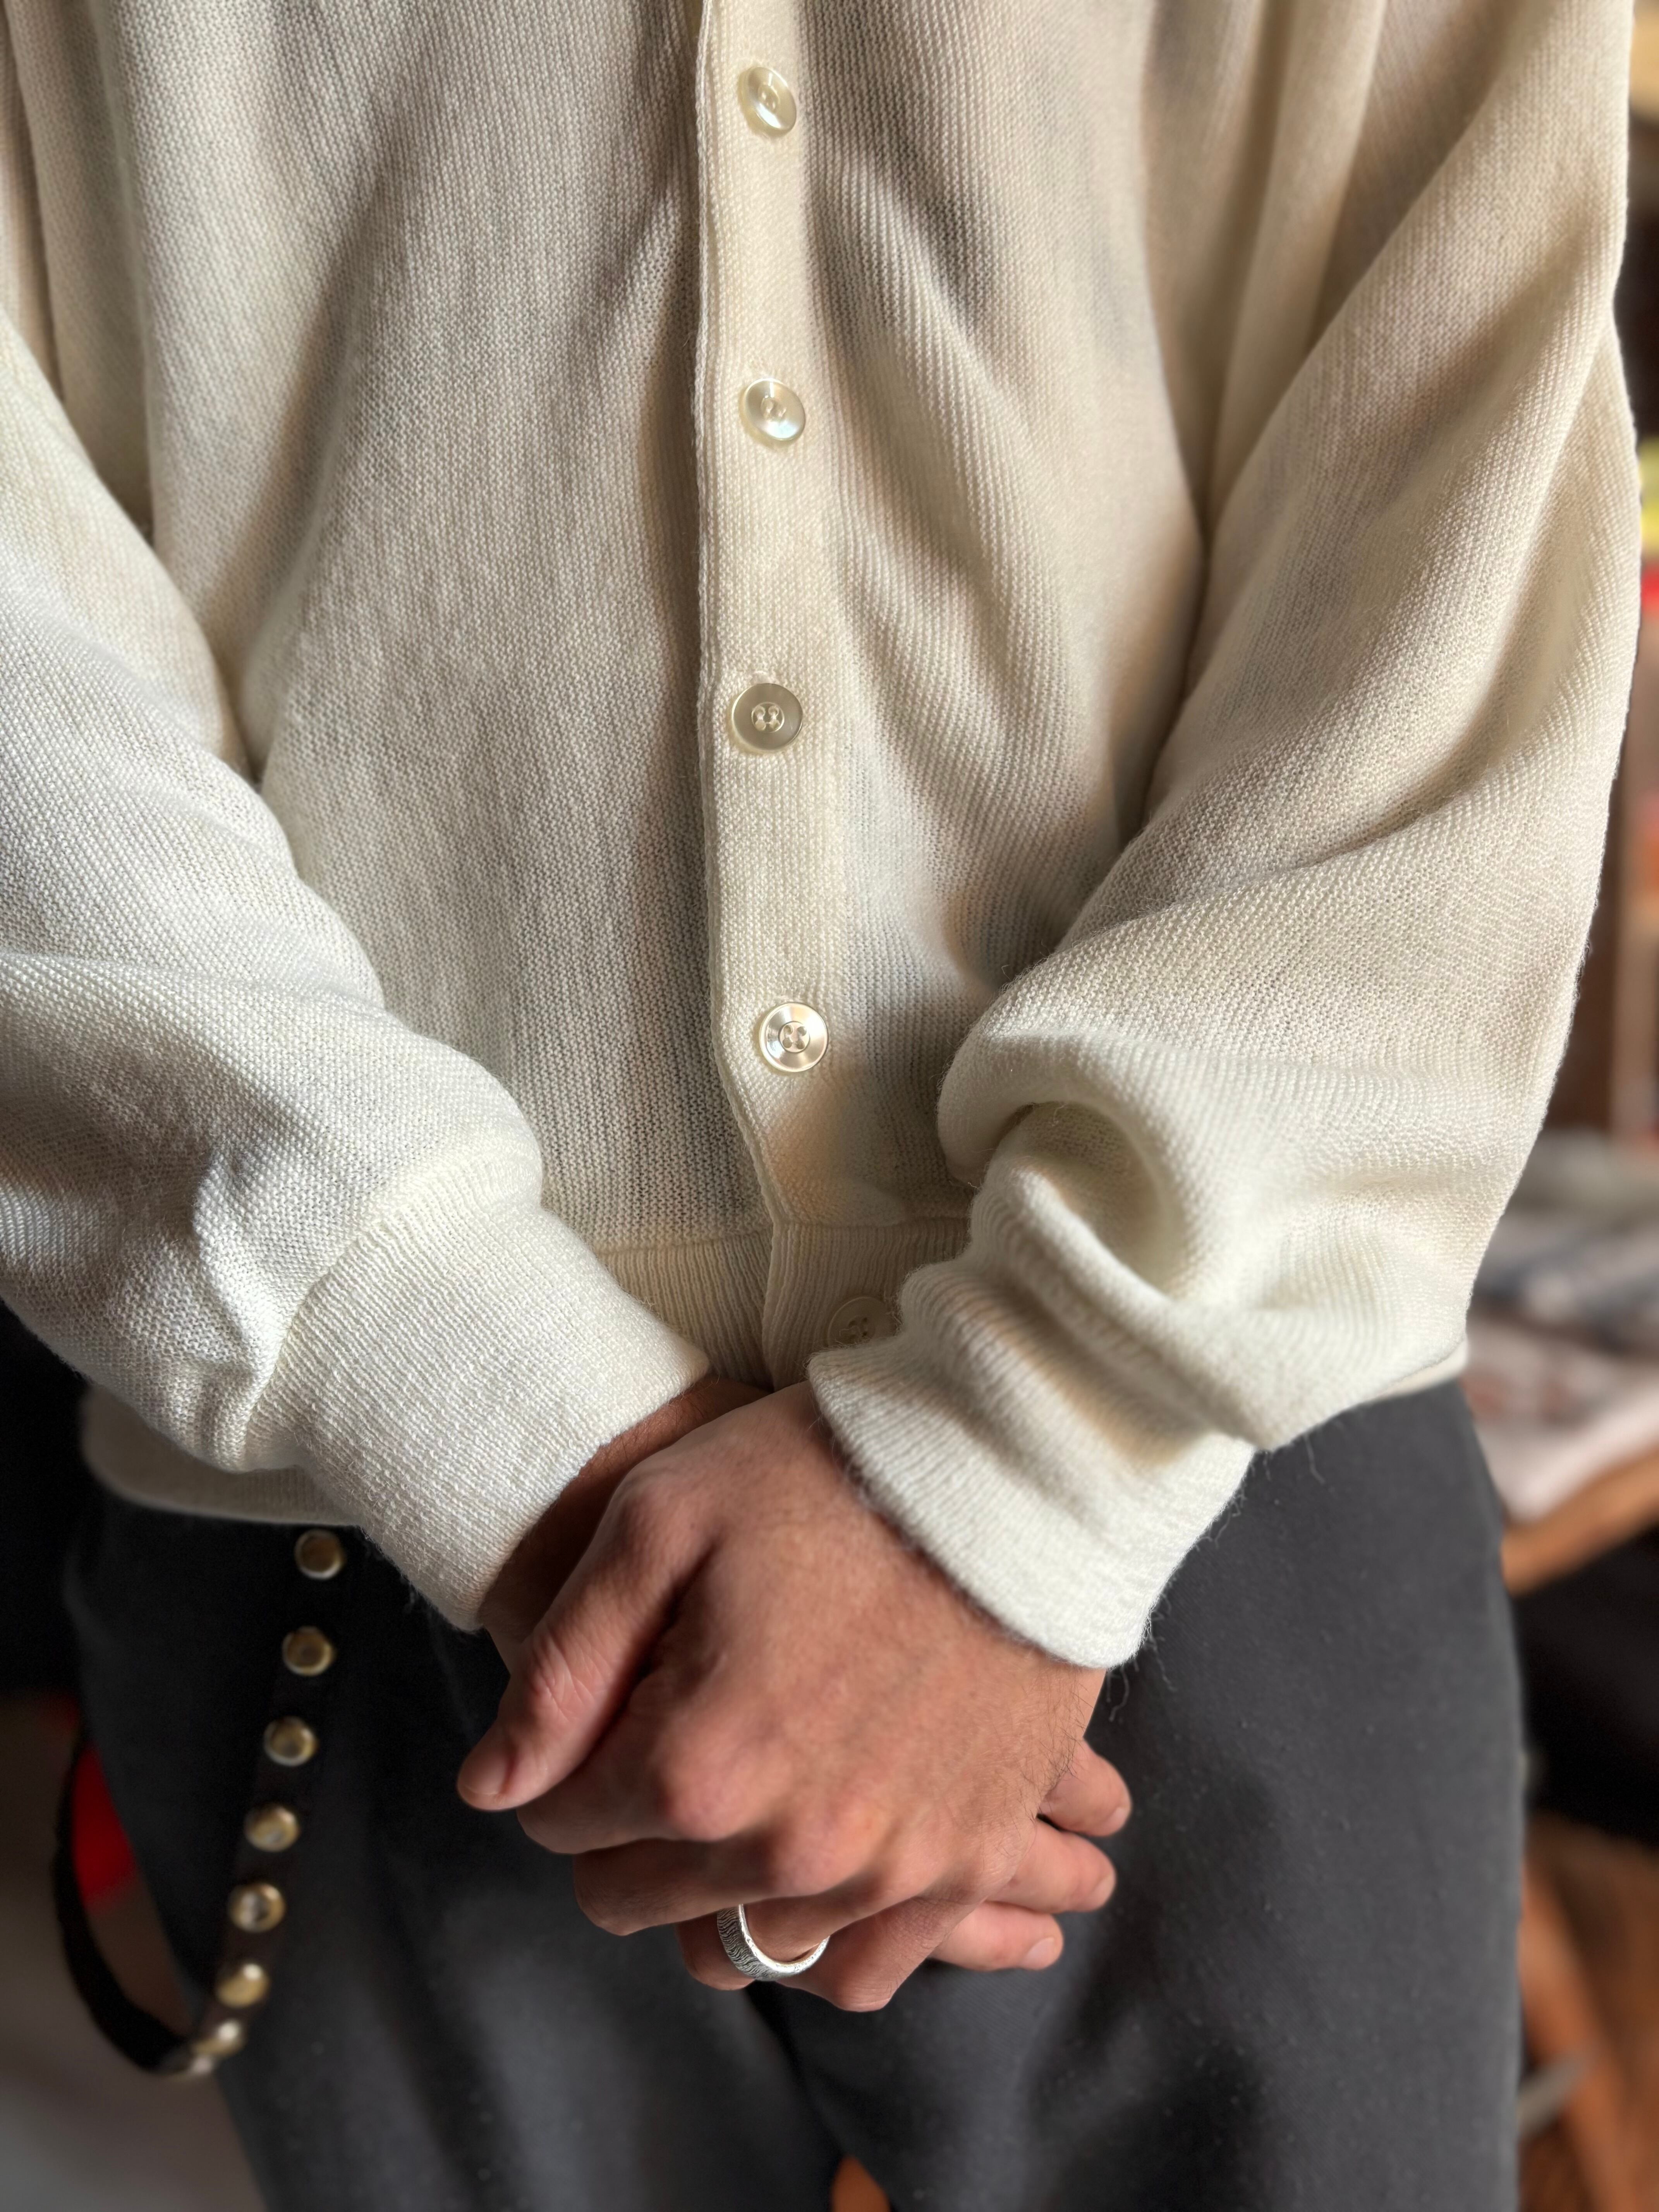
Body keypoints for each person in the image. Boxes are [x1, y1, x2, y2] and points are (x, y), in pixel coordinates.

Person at [0, 0, 1638, 2204]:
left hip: (1214, 1468)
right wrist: (468, 1388)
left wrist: (1015, 1458)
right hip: (350, 1508)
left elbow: (1447, 497)